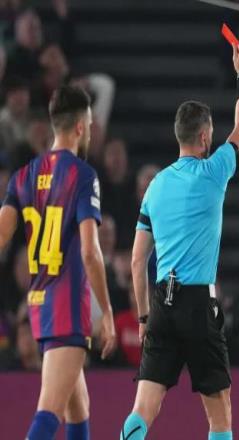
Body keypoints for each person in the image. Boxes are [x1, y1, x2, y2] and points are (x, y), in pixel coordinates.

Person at [119, 41, 239, 440]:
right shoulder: (213, 172)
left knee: (144, 407)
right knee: (220, 415)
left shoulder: (155, 186)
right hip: (197, 305)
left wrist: (144, 318)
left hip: (161, 303)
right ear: (206, 136)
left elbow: (137, 260)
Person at [0, 85, 116, 440]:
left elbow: (2, 235)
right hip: (67, 305)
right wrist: (106, 312)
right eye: (90, 125)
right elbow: (90, 252)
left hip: (39, 302)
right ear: (80, 127)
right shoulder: (82, 175)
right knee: (49, 411)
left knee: (78, 407)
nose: (91, 131)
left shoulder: (23, 175)